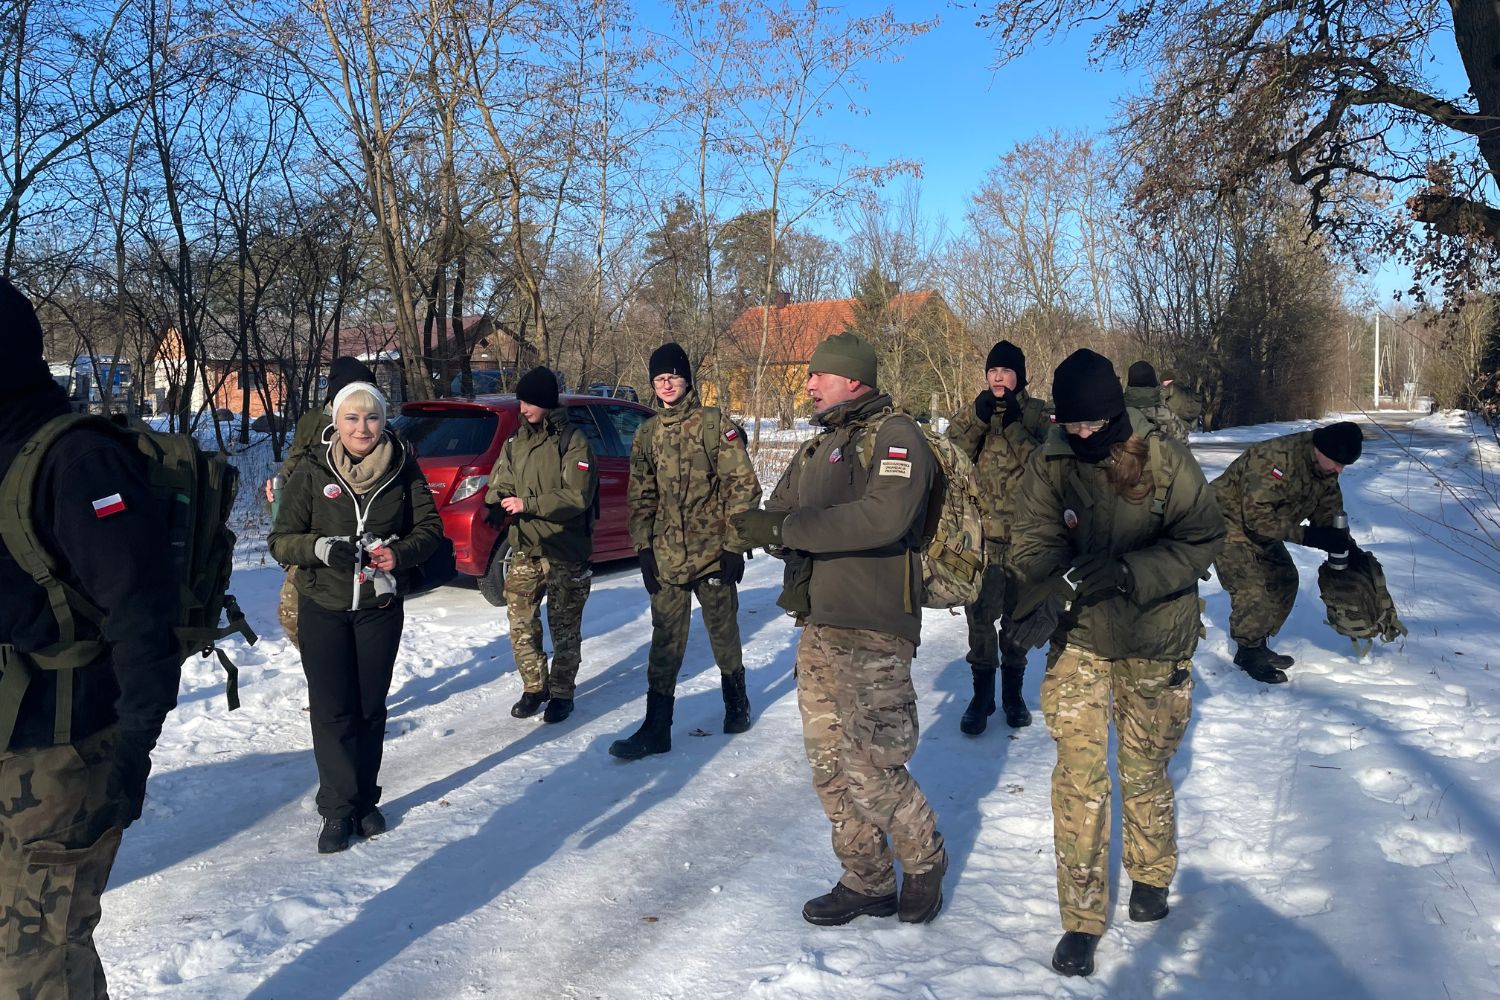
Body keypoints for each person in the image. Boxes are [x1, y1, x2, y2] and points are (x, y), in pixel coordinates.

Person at [1010, 349, 1225, 978]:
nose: (1079, 436)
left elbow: (1202, 536)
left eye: (1089, 427)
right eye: (1070, 425)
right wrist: (1053, 585)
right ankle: (1080, 918)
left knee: (1142, 766)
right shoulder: (1051, 459)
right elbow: (1030, 537)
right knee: (1079, 777)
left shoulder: (1161, 456)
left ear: (1112, 416)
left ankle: (1152, 872)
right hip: (1080, 639)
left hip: (1155, 635)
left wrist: (1131, 572)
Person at [1, 278, 181, 996]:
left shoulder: (76, 459)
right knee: (36, 954)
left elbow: (143, 611)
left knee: (35, 967)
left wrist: (132, 752)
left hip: (66, 753)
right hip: (11, 742)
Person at [733, 331, 947, 927]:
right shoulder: (822, 445)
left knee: (873, 762)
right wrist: (752, 527)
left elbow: (886, 516)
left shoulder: (897, 436)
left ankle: (925, 859)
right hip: (820, 622)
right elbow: (780, 512)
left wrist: (792, 528)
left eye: (816, 375)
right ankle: (867, 878)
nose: (807, 384)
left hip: (875, 625)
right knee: (828, 763)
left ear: (852, 378)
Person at [268, 380, 442, 853]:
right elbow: (281, 539)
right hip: (322, 606)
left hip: (378, 607)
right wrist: (322, 548)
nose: (362, 427)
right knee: (332, 710)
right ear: (336, 422)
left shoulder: (404, 468)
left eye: (371, 418)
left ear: (384, 422)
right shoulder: (312, 468)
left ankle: (366, 801)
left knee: (369, 708)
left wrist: (399, 554)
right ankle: (337, 809)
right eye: (352, 417)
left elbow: (430, 528)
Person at [609, 343, 762, 760]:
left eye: (672, 377)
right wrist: (643, 548)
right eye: (659, 379)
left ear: (686, 378)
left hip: (714, 553)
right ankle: (656, 728)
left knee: (724, 634)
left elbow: (743, 488)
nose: (665, 385)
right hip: (667, 558)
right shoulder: (647, 434)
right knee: (665, 643)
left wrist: (735, 546)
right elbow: (640, 496)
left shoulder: (714, 425)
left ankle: (737, 703)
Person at [943, 339, 1051, 734]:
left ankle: (1013, 694)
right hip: (983, 537)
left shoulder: (1038, 415)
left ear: (1019, 375)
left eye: (1006, 371)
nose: (998, 377)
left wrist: (1017, 428)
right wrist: (976, 419)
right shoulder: (974, 411)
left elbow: (1048, 466)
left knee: (1020, 619)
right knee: (981, 619)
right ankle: (981, 696)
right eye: (993, 371)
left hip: (1026, 536)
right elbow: (948, 457)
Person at [483, 367, 598, 724]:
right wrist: (496, 499)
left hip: (565, 549)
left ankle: (562, 692)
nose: (524, 407)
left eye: (531, 401)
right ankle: (534, 687)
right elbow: (497, 483)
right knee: (521, 623)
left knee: (564, 626)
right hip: (526, 548)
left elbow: (576, 496)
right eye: (521, 400)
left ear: (548, 402)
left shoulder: (573, 440)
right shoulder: (515, 443)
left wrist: (527, 503)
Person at [1209, 421, 1362, 683]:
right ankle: (1247, 651)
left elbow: (1328, 511)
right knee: (1252, 589)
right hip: (1227, 521)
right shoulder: (1276, 459)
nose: (1339, 470)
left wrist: (1345, 544)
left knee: (1285, 580)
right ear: (1319, 449)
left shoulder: (1325, 471)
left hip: (1263, 530)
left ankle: (1258, 641)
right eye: (1336, 462)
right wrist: (1309, 536)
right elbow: (1256, 517)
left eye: (1344, 465)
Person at [263, 357, 377, 648]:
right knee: (292, 615)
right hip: (310, 532)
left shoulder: (372, 427)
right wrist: (279, 487)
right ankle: (325, 668)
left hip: (354, 535)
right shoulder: (313, 421)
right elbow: (296, 460)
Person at [1124, 361, 1190, 444]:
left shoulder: (1119, 414)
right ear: (1154, 382)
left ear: (1129, 384)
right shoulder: (1168, 415)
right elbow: (1184, 452)